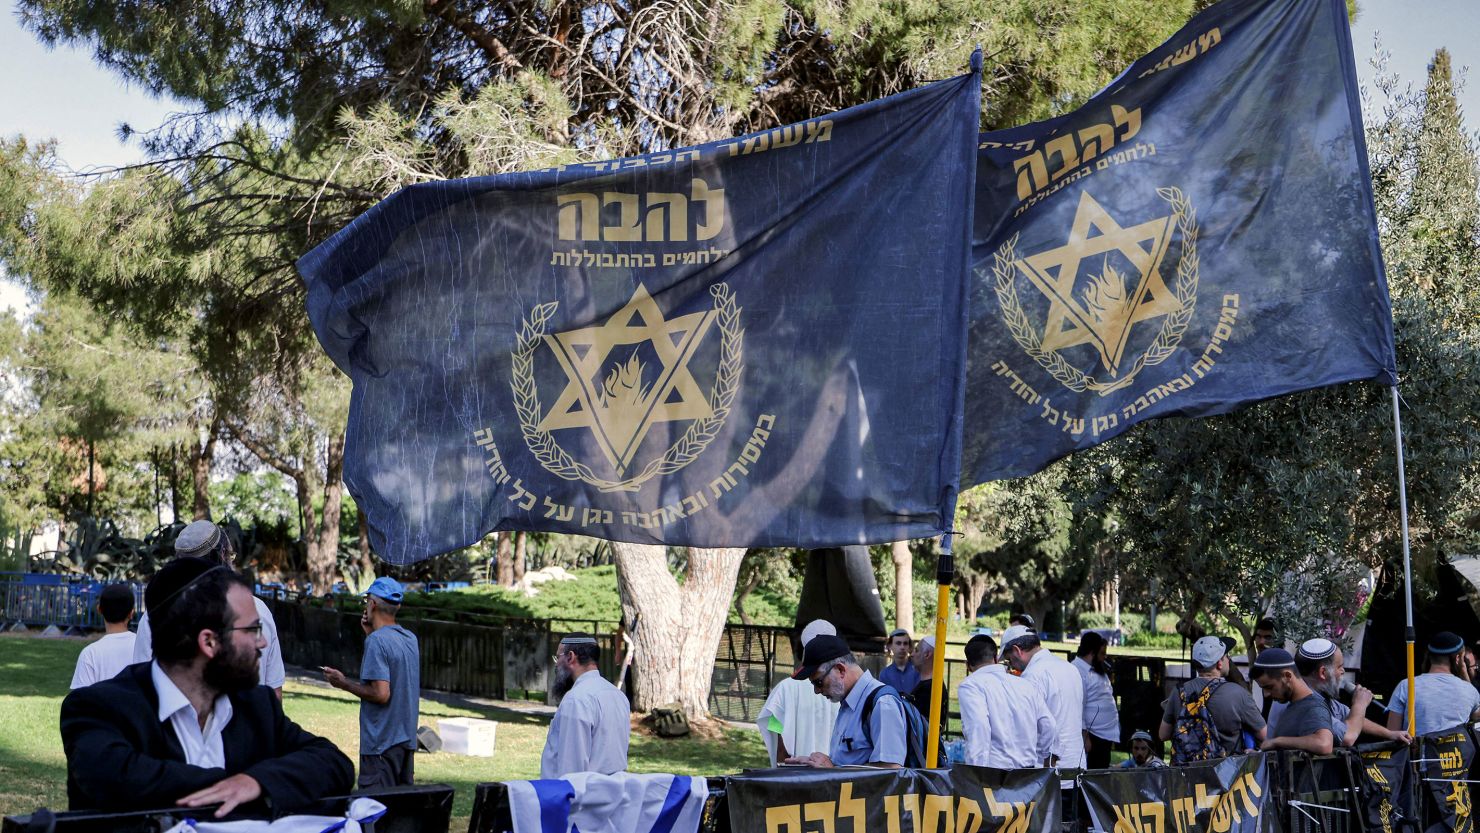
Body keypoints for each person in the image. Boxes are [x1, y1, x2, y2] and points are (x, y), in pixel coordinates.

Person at [59, 557, 353, 815]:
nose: (262, 642)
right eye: (252, 629)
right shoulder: (99, 709)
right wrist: (231, 783)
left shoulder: (255, 706)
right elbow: (117, 778)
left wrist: (257, 783)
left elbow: (333, 762)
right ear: (209, 642)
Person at [134, 521, 285, 696]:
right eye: (231, 555)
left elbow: (142, 684)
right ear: (223, 556)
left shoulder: (156, 614)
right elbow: (274, 692)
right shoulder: (257, 609)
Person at [321, 577, 420, 788]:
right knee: (399, 814)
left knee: (374, 813)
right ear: (398, 606)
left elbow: (381, 694)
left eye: (367, 600)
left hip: (381, 746)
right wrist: (370, 634)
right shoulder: (409, 638)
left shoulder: (377, 641)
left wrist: (342, 683)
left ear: (372, 604)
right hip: (404, 743)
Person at [784, 635, 907, 768]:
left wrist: (832, 771)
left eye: (818, 682)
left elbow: (891, 771)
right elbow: (847, 763)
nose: (817, 691)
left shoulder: (882, 703)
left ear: (841, 670)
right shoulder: (849, 702)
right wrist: (815, 765)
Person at [1275, 638, 1410, 747]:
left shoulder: (1321, 696)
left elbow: (1353, 718)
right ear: (1323, 672)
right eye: (1339, 666)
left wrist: (1390, 734)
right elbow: (1347, 737)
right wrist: (1360, 705)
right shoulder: (1304, 700)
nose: (1343, 672)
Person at [1159, 635, 1266, 763]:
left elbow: (1163, 734)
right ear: (1220, 663)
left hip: (1187, 775)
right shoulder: (1238, 694)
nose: (1228, 659)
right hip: (1226, 776)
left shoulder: (1179, 692)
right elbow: (1264, 735)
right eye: (1227, 656)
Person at [957, 634, 1056, 768]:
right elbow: (1049, 725)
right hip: (1028, 774)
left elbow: (978, 728)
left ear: (968, 665)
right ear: (996, 659)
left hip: (994, 775)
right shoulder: (1025, 685)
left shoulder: (971, 685)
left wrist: (976, 774)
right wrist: (1044, 758)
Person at [540, 633, 631, 778]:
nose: (556, 664)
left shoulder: (576, 699)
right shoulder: (618, 696)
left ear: (570, 657)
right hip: (615, 794)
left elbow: (571, 769)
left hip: (582, 796)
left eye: (558, 657)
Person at [756, 619, 841, 765]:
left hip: (797, 772)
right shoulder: (843, 687)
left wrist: (783, 765)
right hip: (833, 772)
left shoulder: (785, 687)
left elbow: (775, 728)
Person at [1001, 624, 1085, 768]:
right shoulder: (1070, 668)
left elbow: (1028, 728)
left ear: (1017, 650)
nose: (1013, 666)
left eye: (1010, 660)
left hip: (1048, 770)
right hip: (1076, 764)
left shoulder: (1032, 675)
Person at [1385, 631, 1480, 736]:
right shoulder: (1469, 691)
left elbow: (1392, 734)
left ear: (1430, 656)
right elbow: (1477, 715)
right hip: (1458, 751)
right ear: (1458, 658)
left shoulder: (1406, 686)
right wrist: (1463, 670)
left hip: (1417, 751)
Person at [1250, 648, 1334, 755]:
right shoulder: (1293, 705)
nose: (1266, 694)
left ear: (1287, 676)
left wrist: (1277, 741)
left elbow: (1324, 744)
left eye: (1269, 687)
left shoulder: (1313, 707)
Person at [71, 583, 138, 689]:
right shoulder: (144, 647)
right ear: (131, 613)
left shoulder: (90, 654)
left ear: (99, 610)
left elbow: (80, 699)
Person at [1074, 631, 1119, 769]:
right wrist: (1084, 736)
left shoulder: (1097, 669)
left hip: (1105, 735)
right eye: (1102, 653)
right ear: (1092, 653)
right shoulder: (1077, 670)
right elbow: (1078, 706)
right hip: (1092, 736)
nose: (1104, 657)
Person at [908, 636, 948, 729]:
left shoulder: (930, 690)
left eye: (917, 650)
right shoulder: (932, 686)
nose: (912, 654)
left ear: (927, 655)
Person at [879, 628, 919, 693]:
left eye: (905, 643)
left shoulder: (918, 670)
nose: (902, 647)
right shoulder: (885, 674)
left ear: (909, 646)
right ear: (890, 646)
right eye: (898, 643)